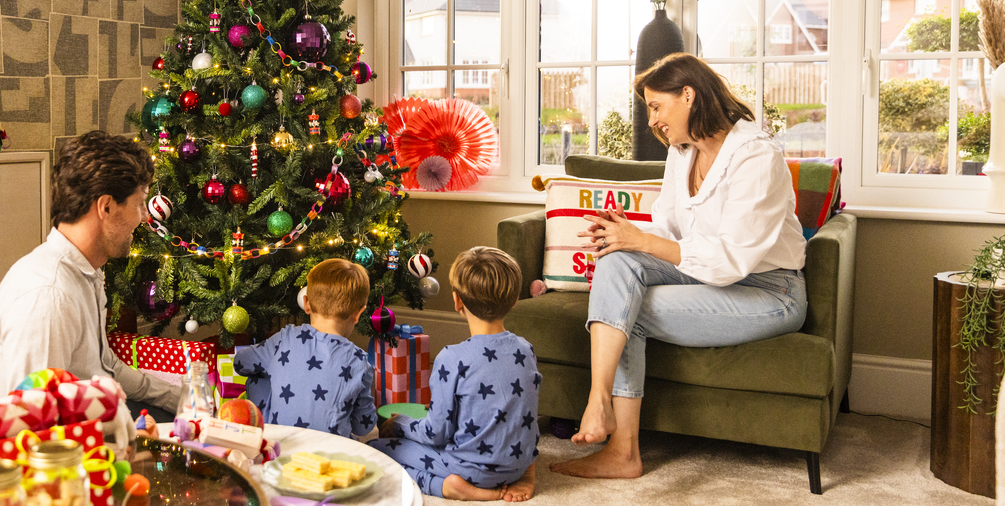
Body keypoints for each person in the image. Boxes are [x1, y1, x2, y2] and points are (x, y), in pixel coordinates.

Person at [550, 53, 808, 480]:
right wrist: (625, 235)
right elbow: (669, 231)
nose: (652, 121)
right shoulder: (682, 152)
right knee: (619, 263)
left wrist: (644, 242)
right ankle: (599, 399)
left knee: (627, 307)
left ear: (688, 95)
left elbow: (730, 260)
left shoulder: (756, 157)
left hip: (767, 290)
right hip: (703, 271)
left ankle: (623, 451)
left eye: (656, 107)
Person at [0, 130, 177, 447]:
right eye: (139, 205)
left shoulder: (86, 269)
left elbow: (106, 367)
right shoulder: (49, 297)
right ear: (106, 207)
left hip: (93, 418)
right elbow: (36, 432)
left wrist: (179, 398)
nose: (144, 218)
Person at [371, 247, 538, 502]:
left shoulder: (452, 357)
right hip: (517, 463)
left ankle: (446, 487)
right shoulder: (525, 349)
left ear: (457, 301)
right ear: (515, 300)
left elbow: (436, 433)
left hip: (470, 470)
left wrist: (399, 423)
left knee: (374, 453)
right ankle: (527, 474)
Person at [233, 259, 376, 437]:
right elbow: (364, 426)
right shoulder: (360, 361)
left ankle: (268, 429)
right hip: (332, 453)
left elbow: (240, 363)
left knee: (258, 377)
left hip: (280, 443)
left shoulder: (284, 339)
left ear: (306, 303)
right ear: (358, 314)